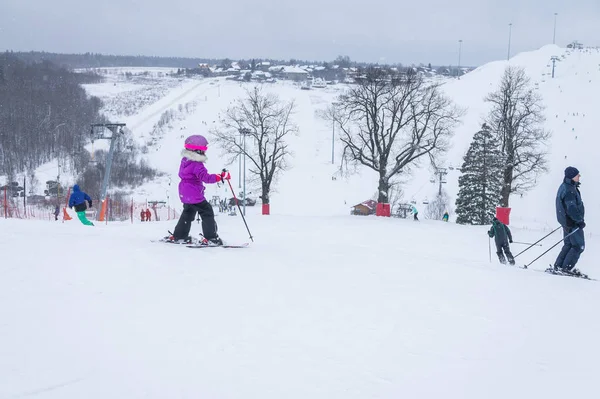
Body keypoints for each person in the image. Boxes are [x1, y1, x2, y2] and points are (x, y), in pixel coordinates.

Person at [165, 135, 230, 245]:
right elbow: (206, 178)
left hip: (184, 192)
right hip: (194, 193)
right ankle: (211, 238)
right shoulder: (197, 164)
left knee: (188, 213)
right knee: (207, 211)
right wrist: (220, 177)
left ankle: (179, 236)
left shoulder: (185, 160)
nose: (204, 153)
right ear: (197, 150)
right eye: (203, 151)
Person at [553, 166, 585, 274]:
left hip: (567, 222)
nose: (579, 176)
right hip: (572, 222)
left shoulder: (566, 186)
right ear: (571, 176)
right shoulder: (569, 190)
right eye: (577, 175)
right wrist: (578, 220)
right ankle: (565, 268)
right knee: (578, 246)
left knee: (569, 245)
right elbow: (571, 208)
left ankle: (559, 266)